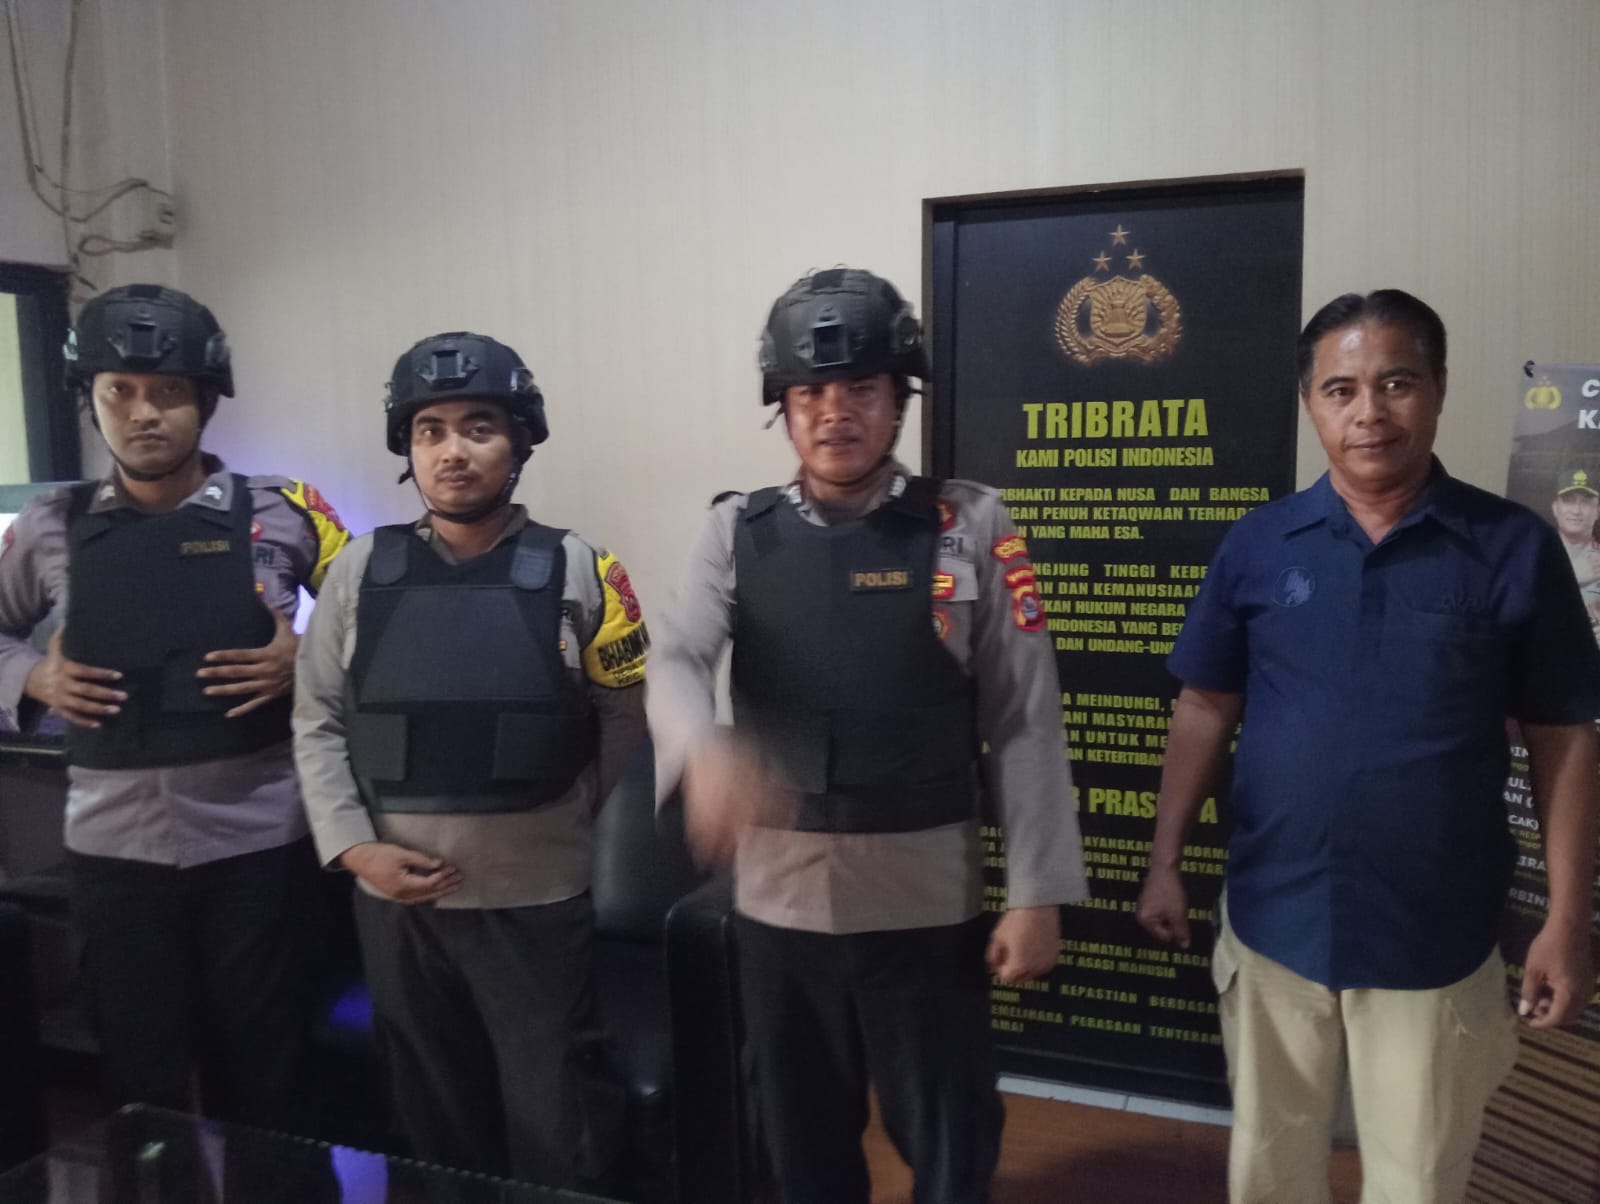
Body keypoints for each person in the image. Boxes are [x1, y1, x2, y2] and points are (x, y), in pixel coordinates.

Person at [1136, 289, 1600, 1204]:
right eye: (1340, 389)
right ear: (1310, 404)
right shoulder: (1259, 545)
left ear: (1438, 389)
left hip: (1435, 936)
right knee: (1270, 1171)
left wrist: (1567, 920)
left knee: (1417, 1181)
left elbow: (1565, 740)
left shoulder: (1512, 548)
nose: (1369, 412)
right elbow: (1203, 707)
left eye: (1397, 383)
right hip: (1274, 920)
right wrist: (1163, 862)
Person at [647, 268, 1087, 1204]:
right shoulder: (734, 531)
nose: (835, 412)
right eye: (810, 392)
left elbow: (1024, 719)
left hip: (926, 902)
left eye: (860, 388)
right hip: (779, 906)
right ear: (783, 406)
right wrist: (700, 749)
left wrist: (1037, 894)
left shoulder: (970, 523)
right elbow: (677, 657)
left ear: (900, 399)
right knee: (798, 1146)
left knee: (951, 1142)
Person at [292, 331, 647, 1188]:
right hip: (396, 906)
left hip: (537, 903)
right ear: (409, 449)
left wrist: (555, 822)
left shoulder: (582, 567)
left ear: (519, 442)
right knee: (431, 1122)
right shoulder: (359, 571)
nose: (452, 451)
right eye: (431, 430)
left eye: (478, 427)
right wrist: (354, 848)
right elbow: (318, 719)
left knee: (556, 1119)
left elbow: (623, 716)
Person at [0, 284, 348, 1127]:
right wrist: (32, 678)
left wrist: (305, 659)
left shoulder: (288, 511)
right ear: (90, 398)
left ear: (207, 399)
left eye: (168, 390)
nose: (143, 412)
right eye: (118, 390)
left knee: (274, 1088)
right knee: (140, 1092)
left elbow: (380, 626)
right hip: (114, 853)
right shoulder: (49, 525)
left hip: (260, 844)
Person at [1550, 468, 1600, 634]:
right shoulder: (1533, 555)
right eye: (1569, 501)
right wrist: (1575, 575)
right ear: (1555, 508)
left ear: (1598, 510)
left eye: (1585, 502)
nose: (1576, 510)